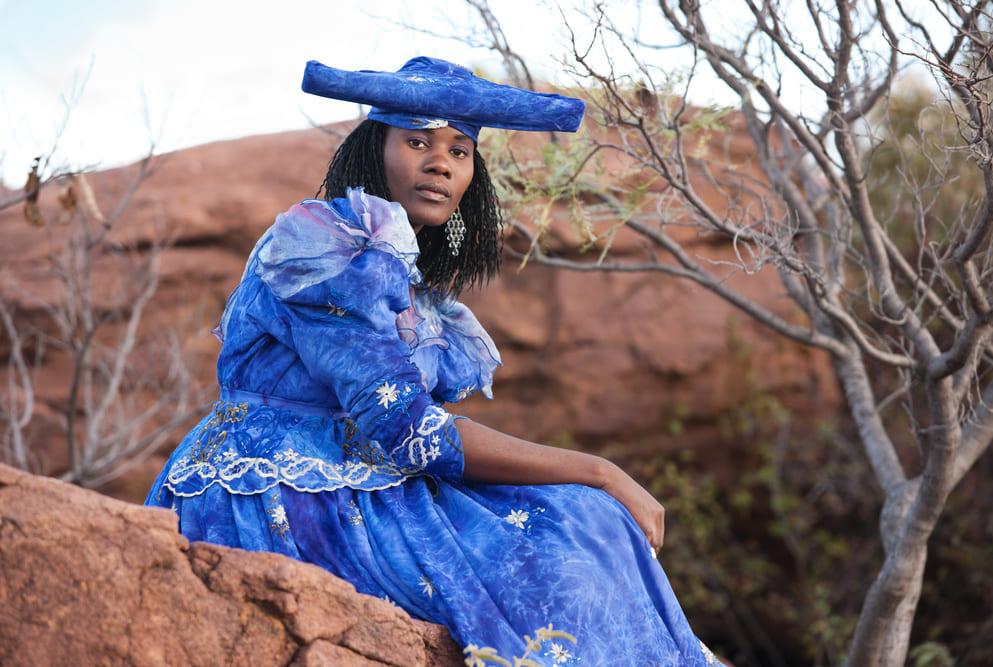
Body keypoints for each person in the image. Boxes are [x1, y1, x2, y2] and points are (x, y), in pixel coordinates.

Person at [146, 57, 722, 666]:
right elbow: (414, 434)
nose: (440, 162)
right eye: (417, 140)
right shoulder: (325, 246)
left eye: (459, 150)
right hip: (271, 487)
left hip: (358, 474)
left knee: (584, 524)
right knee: (574, 530)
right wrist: (599, 470)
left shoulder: (407, 278)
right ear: (375, 150)